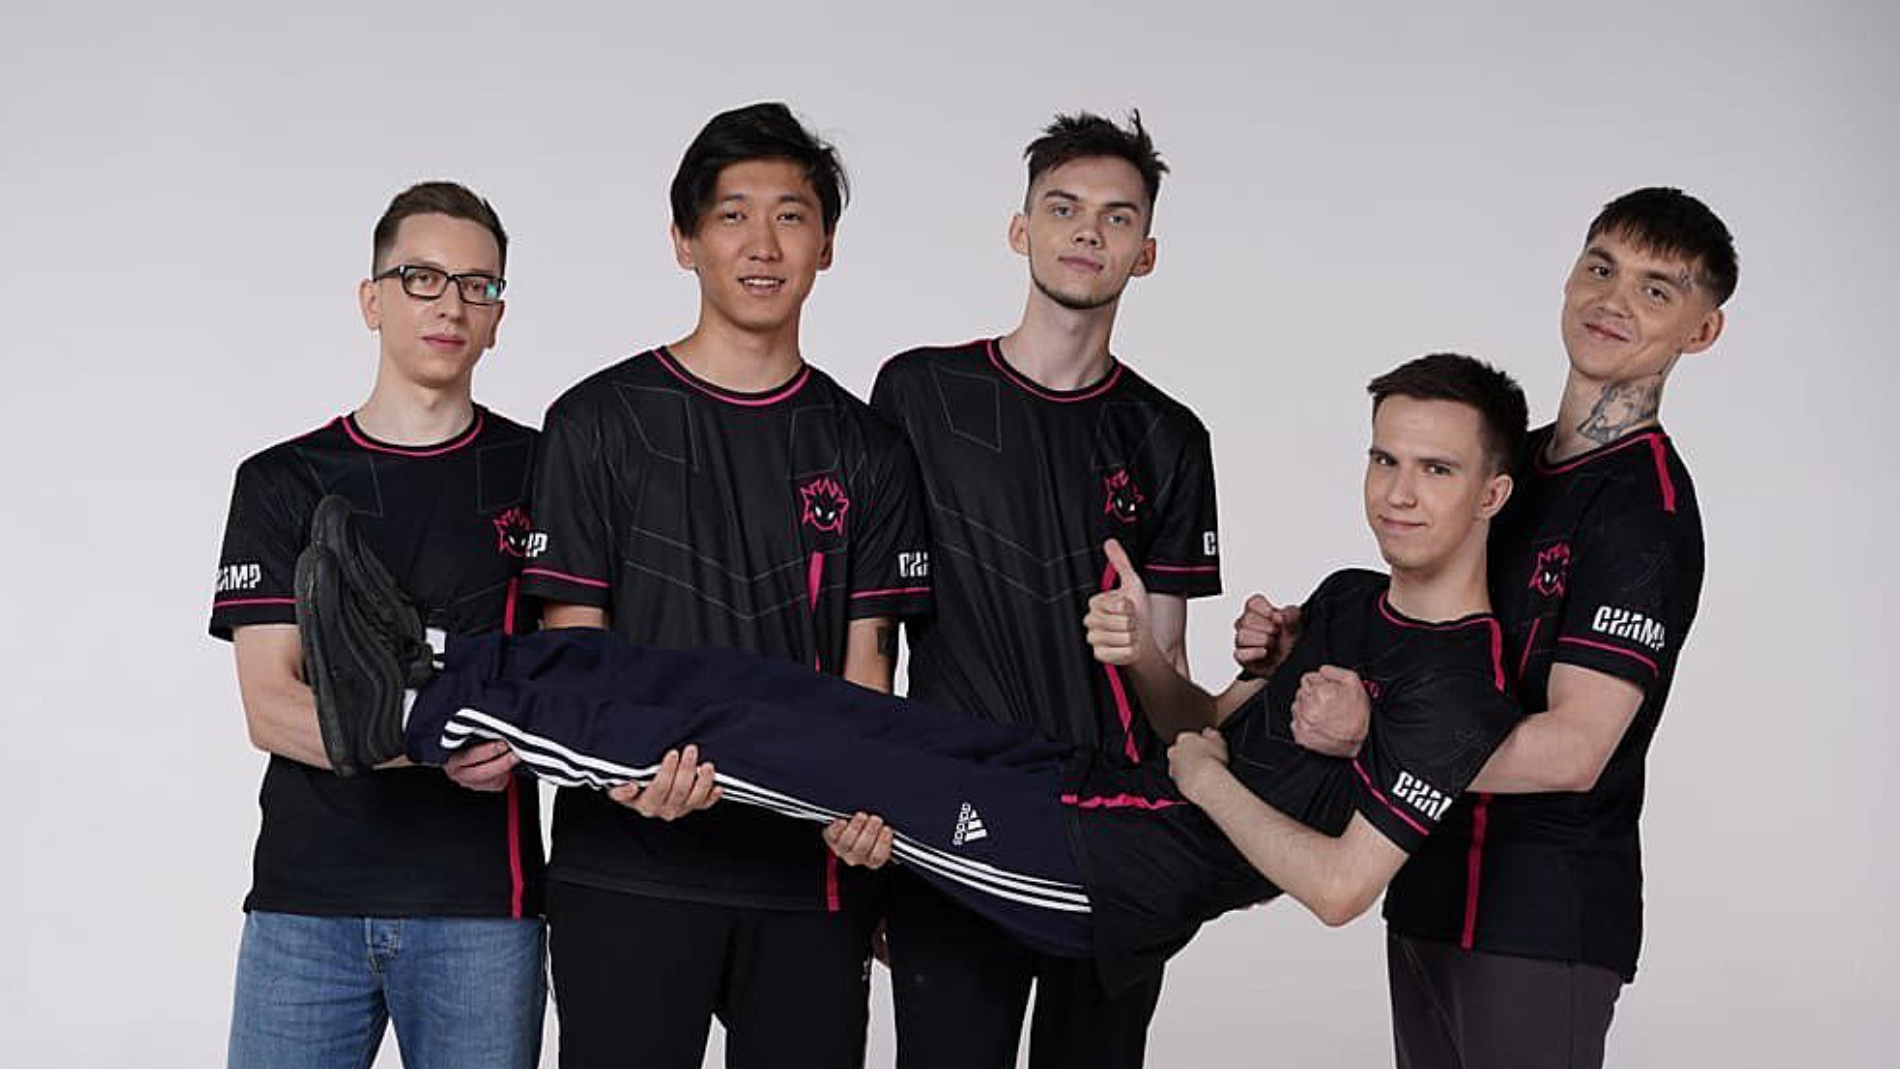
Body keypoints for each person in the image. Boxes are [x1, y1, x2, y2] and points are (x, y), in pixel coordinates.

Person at [297, 352, 1527, 1004]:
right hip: (1085, 781)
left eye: (1432, 470)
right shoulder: (1349, 597)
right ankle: (443, 657)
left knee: (765, 750)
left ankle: (409, 712)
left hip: (1099, 872)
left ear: (1492, 492)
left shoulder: (1466, 687)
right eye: (1384, 459)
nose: (1396, 492)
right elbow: (1204, 723)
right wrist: (1208, 687)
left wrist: (1210, 771)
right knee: (769, 691)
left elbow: (1337, 887)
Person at [1257, 188, 1736, 1069]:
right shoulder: (1504, 463)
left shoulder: (1645, 513)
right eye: (1600, 268)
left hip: (1539, 920)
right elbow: (1437, 648)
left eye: (1655, 290)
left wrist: (1370, 733)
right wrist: (1311, 655)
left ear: (1701, 331)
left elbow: (1574, 749)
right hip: (1423, 886)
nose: (1613, 301)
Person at [509, 102, 933, 1069]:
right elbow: (573, 650)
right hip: (628, 870)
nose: (762, 244)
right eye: (733, 214)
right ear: (684, 240)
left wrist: (869, 810)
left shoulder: (869, 450)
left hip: (809, 882)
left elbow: (871, 676)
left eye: (791, 215)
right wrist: (622, 773)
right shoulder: (597, 422)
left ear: (826, 244)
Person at [867, 109, 1221, 1069]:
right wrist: (873, 816)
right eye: (1063, 208)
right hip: (954, 822)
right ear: (1020, 229)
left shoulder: (1169, 437)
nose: (1087, 232)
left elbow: (1179, 702)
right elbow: (870, 638)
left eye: (1117, 217)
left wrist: (1138, 649)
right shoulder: (918, 394)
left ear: (1146, 253)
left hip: (1111, 841)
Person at [208, 181, 545, 1069]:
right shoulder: (282, 481)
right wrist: (434, 739)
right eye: (421, 277)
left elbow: (574, 669)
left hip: (483, 909)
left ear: (498, 315)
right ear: (371, 300)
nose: (450, 304)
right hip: (306, 907)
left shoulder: (545, 472)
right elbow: (271, 707)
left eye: (477, 285)